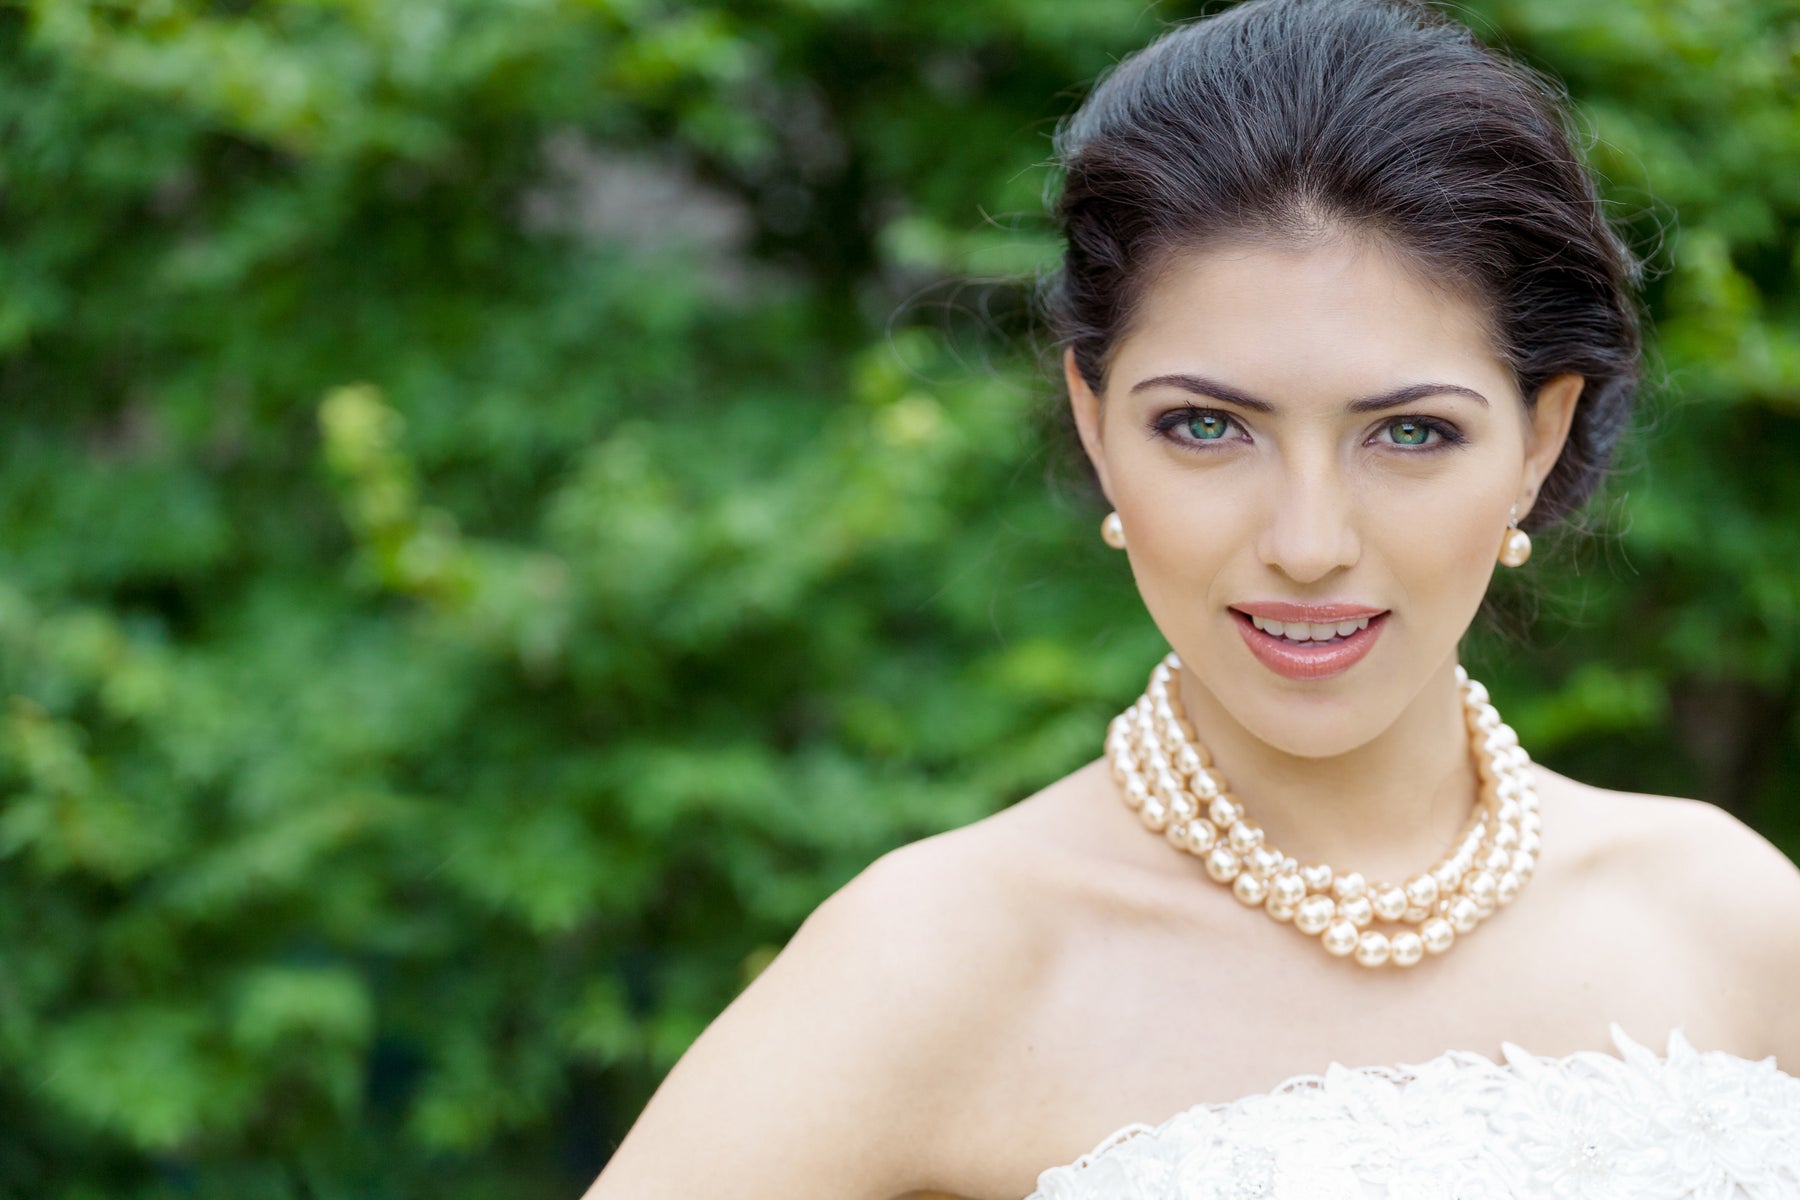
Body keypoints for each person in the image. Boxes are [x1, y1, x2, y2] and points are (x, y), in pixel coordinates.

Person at [583, 1, 1800, 1196]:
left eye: (1413, 432)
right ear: (1093, 423)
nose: (1309, 543)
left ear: (1539, 439)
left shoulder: (1732, 917)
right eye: (1207, 426)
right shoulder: (943, 958)